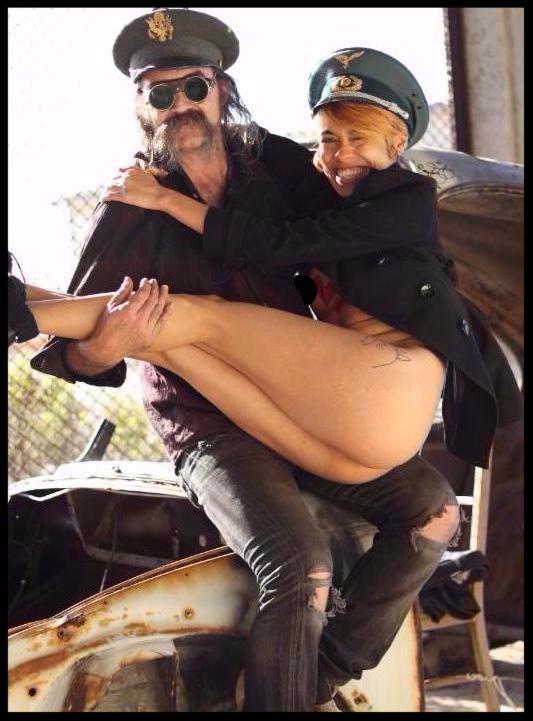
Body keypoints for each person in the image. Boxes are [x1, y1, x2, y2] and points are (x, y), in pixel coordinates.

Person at [9, 10, 520, 710]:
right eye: (159, 93)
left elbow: (344, 220)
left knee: (432, 513)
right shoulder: (128, 208)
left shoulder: (277, 167)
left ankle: (317, 673)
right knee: (300, 563)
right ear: (140, 106)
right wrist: (108, 343)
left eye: (193, 86)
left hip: (297, 401)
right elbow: (81, 353)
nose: (180, 105)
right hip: (208, 428)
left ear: (221, 89)